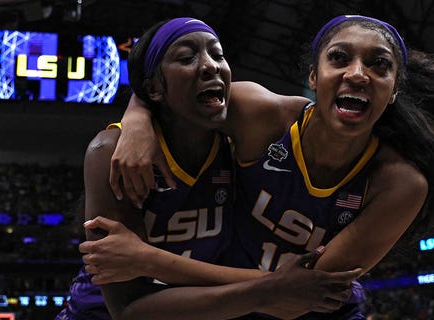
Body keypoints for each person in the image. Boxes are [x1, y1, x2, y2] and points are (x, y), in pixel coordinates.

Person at [83, 15, 434, 318]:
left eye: (378, 65)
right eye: (340, 58)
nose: (358, 74)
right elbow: (172, 93)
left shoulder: (400, 183)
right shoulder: (257, 112)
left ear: (395, 88)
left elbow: (299, 298)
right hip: (233, 302)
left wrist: (149, 261)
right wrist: (136, 116)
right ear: (313, 76)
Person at [57, 17, 361, 320]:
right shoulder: (111, 151)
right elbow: (128, 310)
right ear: (153, 88)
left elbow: (322, 116)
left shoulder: (241, 136)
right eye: (187, 57)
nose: (210, 66)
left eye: (218, 55)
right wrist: (269, 290)